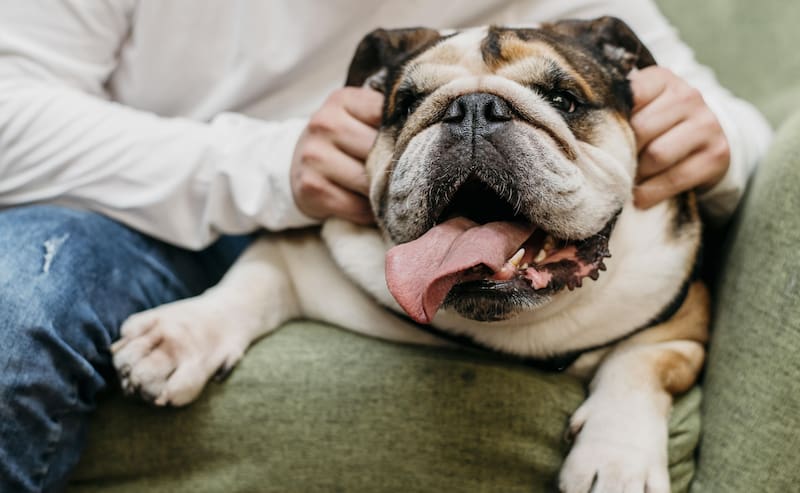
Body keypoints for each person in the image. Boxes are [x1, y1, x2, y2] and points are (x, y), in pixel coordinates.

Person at [0, 1, 771, 491]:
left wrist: (710, 138)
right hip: (122, 206)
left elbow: (739, 129)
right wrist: (271, 165)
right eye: (416, 108)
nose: (474, 125)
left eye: (557, 98)